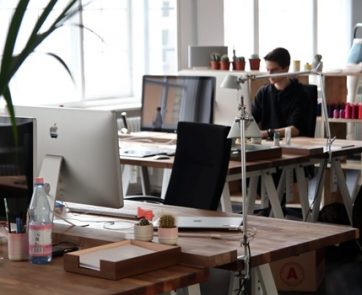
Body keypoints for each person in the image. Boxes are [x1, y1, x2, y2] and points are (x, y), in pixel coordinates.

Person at [251, 47, 310, 140]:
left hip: (293, 145)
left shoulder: (301, 94)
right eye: (267, 70)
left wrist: (267, 133)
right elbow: (251, 120)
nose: (269, 74)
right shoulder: (263, 93)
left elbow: (295, 129)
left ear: (286, 69)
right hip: (267, 144)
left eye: (274, 70)